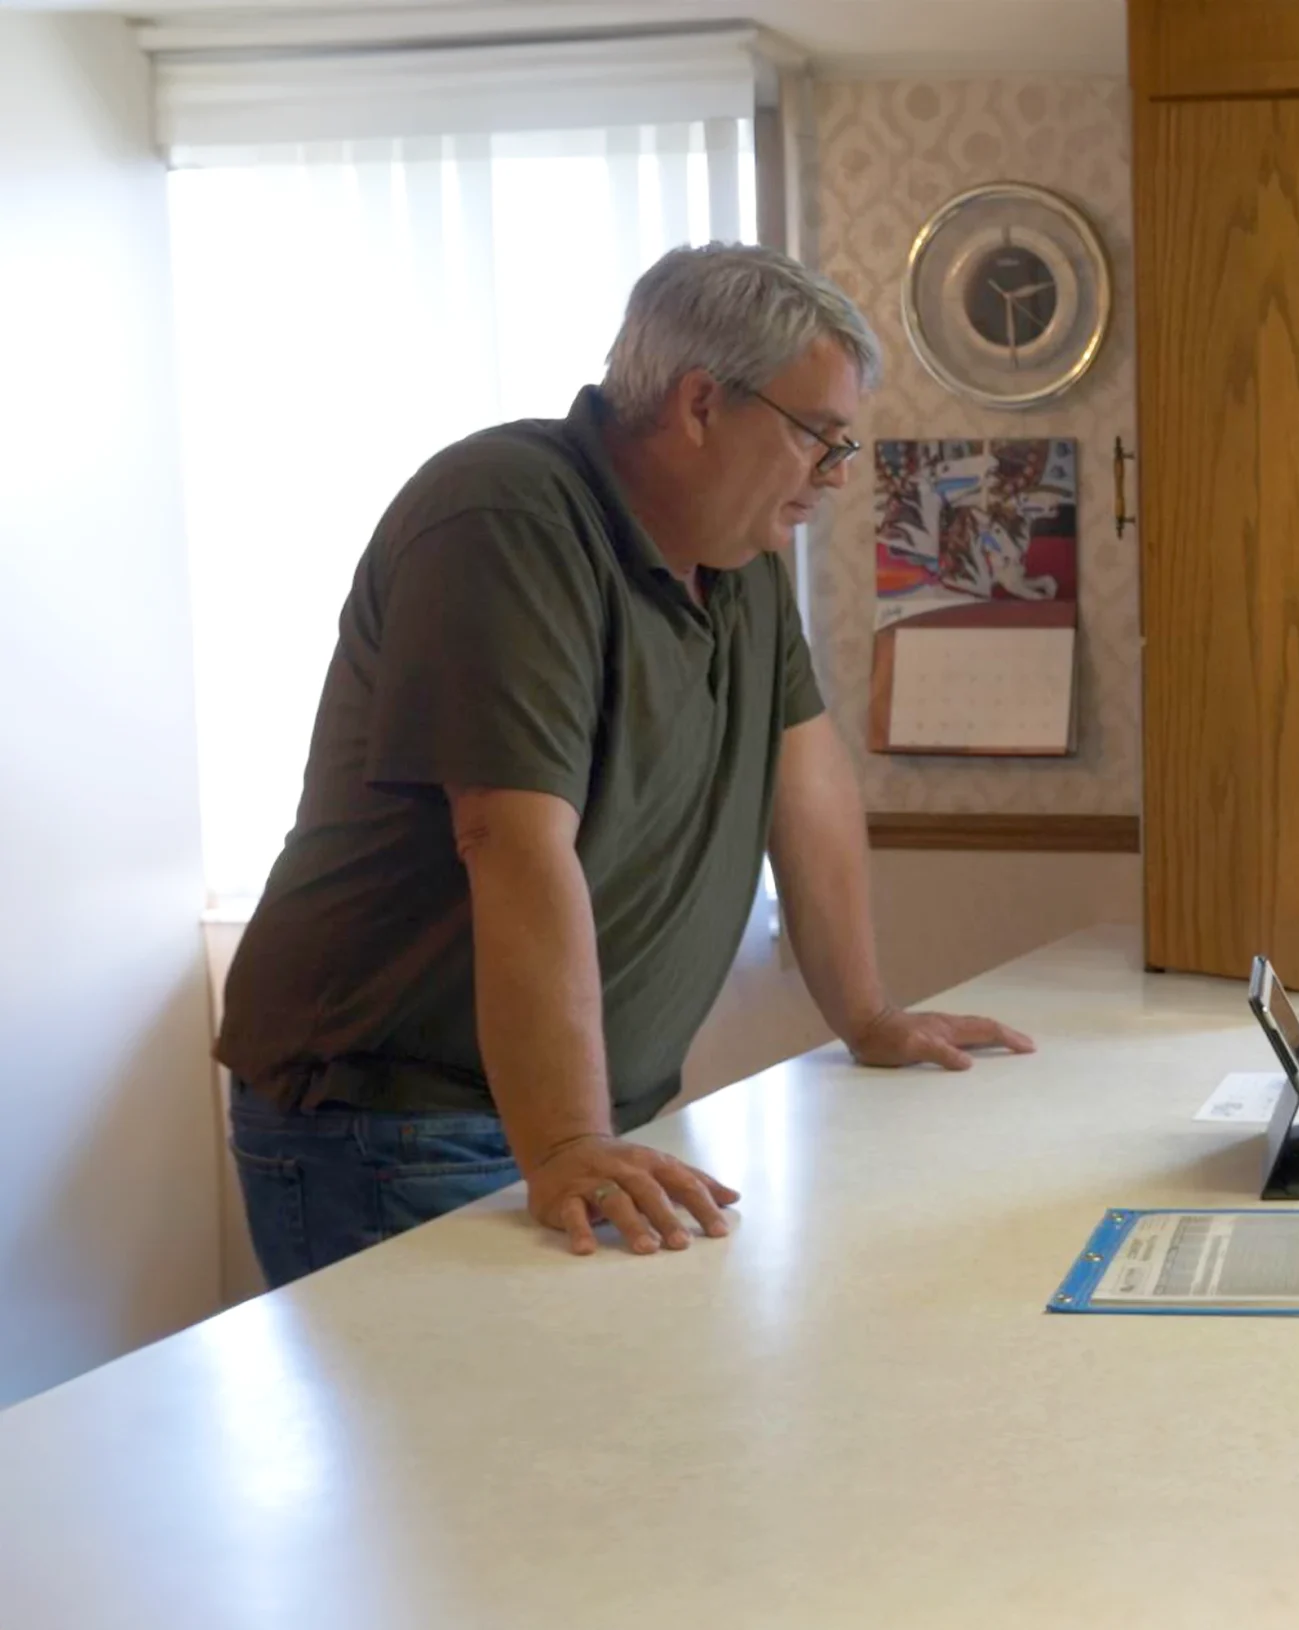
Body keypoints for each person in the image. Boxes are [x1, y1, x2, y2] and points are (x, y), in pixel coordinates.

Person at [218, 244, 1032, 1287]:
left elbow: (805, 779)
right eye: (819, 439)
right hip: (403, 1120)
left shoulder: (740, 557)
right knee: (475, 1454)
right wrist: (563, 1142)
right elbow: (507, 835)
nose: (833, 478)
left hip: (577, 1119)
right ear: (701, 404)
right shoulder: (504, 516)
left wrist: (868, 1015)